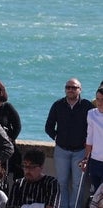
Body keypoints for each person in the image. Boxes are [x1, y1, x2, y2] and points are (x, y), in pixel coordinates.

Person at [45, 78, 92, 208]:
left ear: (80, 90)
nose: (70, 90)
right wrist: (56, 137)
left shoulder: (87, 106)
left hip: (80, 152)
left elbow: (93, 128)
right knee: (62, 183)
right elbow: (49, 126)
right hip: (61, 151)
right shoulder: (57, 105)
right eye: (68, 87)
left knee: (78, 184)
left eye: (74, 87)